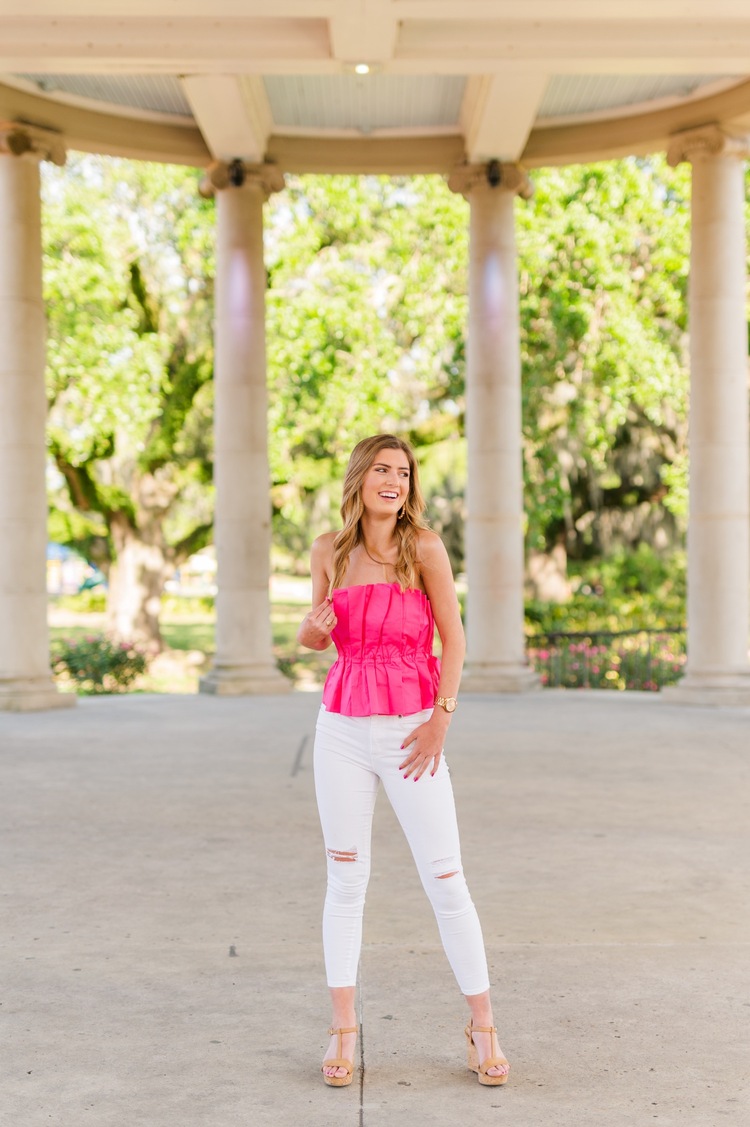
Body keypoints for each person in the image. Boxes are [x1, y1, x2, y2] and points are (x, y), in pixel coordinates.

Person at [297, 433, 509, 1089]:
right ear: (360, 477)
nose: (393, 480)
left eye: (403, 471)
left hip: (413, 729)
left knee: (447, 879)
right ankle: (342, 1026)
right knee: (346, 879)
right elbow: (311, 637)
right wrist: (317, 623)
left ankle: (483, 1026)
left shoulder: (424, 548)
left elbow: (455, 636)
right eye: (382, 469)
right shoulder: (329, 551)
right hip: (341, 731)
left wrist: (441, 719)